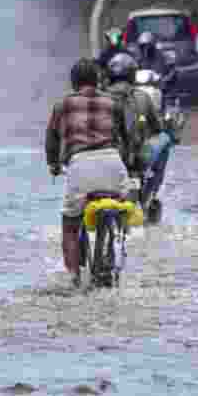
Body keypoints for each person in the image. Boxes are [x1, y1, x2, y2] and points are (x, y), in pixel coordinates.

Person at [45, 58, 134, 287]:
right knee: (122, 207)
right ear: (98, 80)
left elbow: (52, 140)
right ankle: (117, 244)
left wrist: (53, 164)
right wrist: (126, 164)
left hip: (80, 165)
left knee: (70, 224)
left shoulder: (62, 105)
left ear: (74, 82)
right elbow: (126, 137)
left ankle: (73, 277)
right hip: (113, 162)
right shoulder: (113, 102)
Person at [105, 52, 171, 219]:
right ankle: (151, 193)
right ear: (132, 74)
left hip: (101, 157)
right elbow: (157, 128)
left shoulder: (98, 97)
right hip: (134, 159)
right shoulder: (142, 97)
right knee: (165, 139)